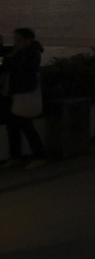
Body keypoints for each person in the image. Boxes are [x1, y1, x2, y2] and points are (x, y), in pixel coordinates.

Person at [0, 28, 47, 169]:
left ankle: (40, 156)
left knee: (25, 126)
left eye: (18, 40)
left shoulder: (31, 54)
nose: (15, 42)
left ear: (29, 40)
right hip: (12, 94)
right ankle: (16, 157)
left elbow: (13, 67)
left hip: (23, 94)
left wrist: (11, 55)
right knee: (12, 126)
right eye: (15, 40)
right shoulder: (20, 51)